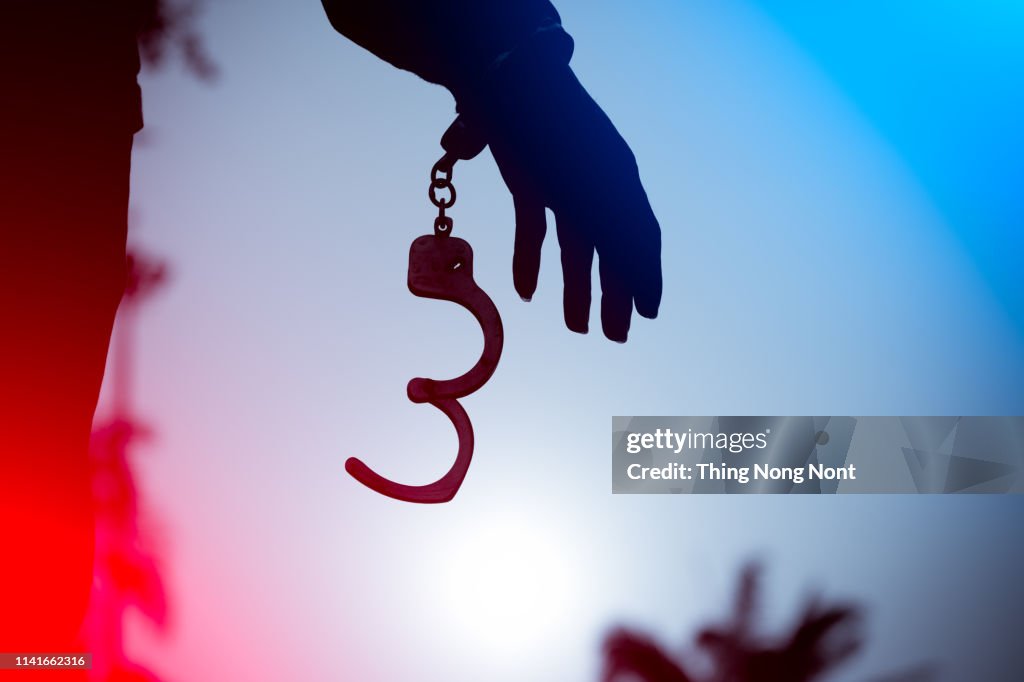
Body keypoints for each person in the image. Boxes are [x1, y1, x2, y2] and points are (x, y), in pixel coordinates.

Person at [0, 0, 662, 662]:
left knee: (31, 512)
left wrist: (515, 62)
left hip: (54, 112)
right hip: (55, 111)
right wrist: (516, 58)